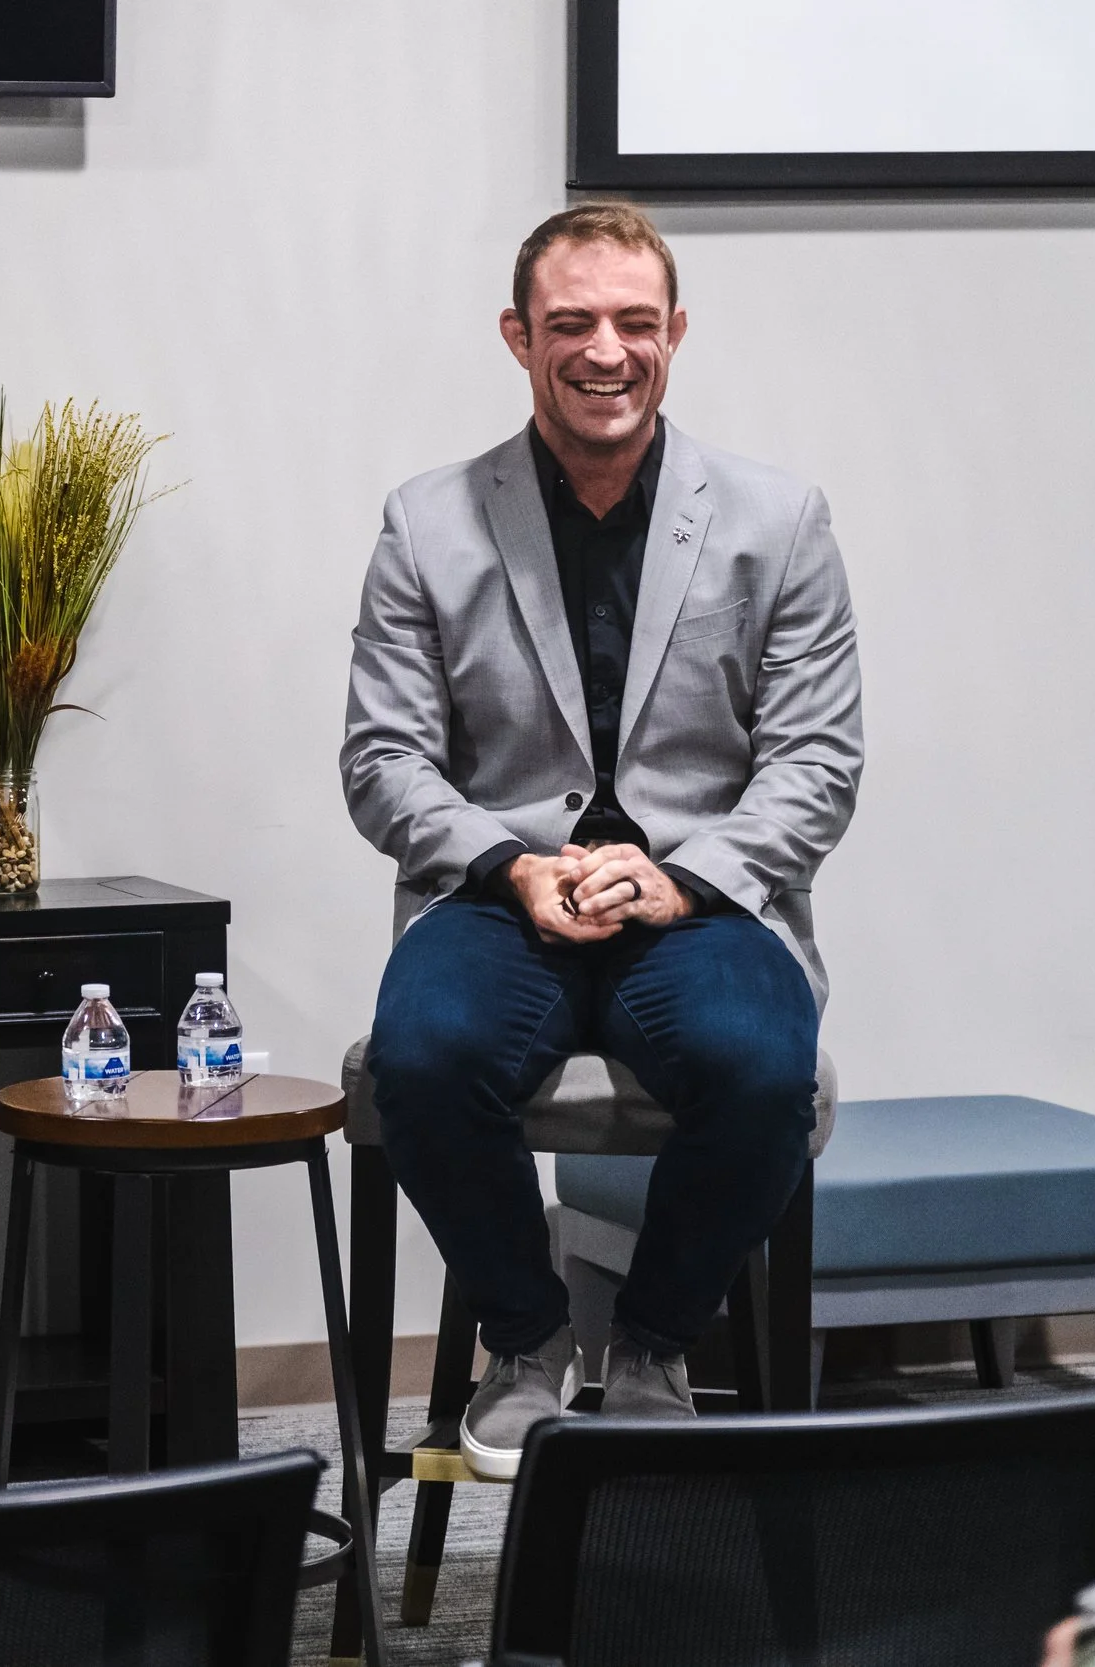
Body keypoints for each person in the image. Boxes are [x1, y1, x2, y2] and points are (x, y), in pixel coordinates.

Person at [339, 203, 862, 1479]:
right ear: (519, 338)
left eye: (634, 322)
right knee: (420, 1052)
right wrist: (511, 864)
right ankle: (523, 1342)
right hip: (499, 889)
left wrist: (683, 880)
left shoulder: (778, 519)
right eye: (570, 323)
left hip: (699, 898)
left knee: (757, 1061)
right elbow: (381, 757)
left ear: (675, 334)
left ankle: (651, 1345)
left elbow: (817, 762)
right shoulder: (427, 520)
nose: (604, 351)